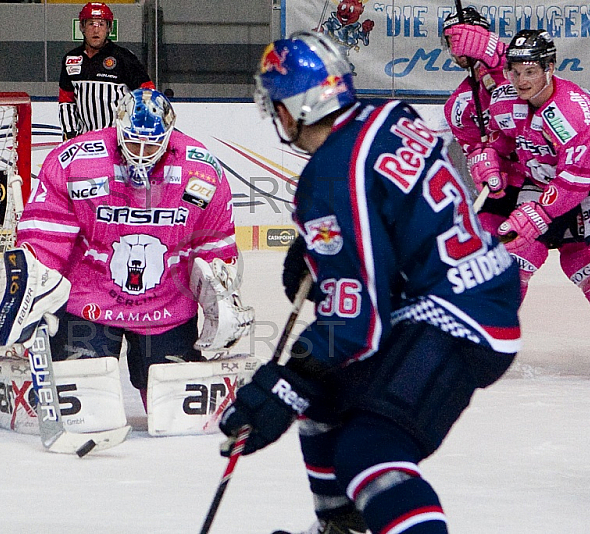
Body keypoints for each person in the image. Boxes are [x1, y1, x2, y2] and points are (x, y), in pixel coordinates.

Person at [218, 31, 521, 534]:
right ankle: (341, 526)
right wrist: (327, 248)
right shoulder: (389, 116)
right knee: (325, 403)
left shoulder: (330, 177)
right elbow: (391, 208)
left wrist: (285, 383)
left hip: (456, 318)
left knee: (371, 450)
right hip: (472, 290)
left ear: (294, 108)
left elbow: (355, 325)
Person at [9, 88, 253, 408]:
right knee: (85, 406)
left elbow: (214, 243)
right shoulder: (76, 161)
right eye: (133, 142)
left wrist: (222, 291)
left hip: (166, 305)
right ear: (117, 129)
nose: (141, 153)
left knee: (173, 409)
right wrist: (31, 292)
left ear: (169, 137)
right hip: (89, 301)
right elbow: (46, 237)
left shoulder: (201, 171)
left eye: (151, 143)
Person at [448, 27, 590, 321]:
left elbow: (576, 180)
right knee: (510, 262)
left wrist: (540, 213)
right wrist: (488, 156)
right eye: (515, 71)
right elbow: (506, 138)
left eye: (531, 71)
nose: (522, 81)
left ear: (550, 68)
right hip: (544, 182)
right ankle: (485, 340)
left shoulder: (572, 112)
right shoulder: (506, 100)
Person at [441, 7, 522, 236]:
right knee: (484, 237)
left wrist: (490, 50)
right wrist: (483, 162)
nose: (455, 48)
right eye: (450, 41)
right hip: (511, 181)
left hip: (549, 174)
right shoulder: (459, 104)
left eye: (460, 39)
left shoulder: (516, 69)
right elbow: (475, 148)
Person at [58, 2, 155, 140]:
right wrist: (70, 133)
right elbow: (66, 101)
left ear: (109, 28)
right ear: (82, 27)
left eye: (101, 24)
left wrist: (139, 129)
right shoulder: (71, 58)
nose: (96, 30)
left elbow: (147, 94)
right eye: (91, 24)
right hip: (85, 139)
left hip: (119, 139)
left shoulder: (124, 57)